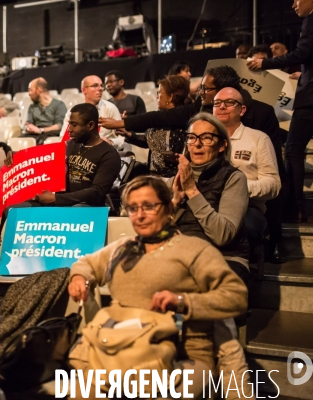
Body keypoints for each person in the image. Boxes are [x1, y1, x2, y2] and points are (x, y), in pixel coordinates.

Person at [68, 175, 248, 397]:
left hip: (182, 354)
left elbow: (236, 295)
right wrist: (79, 278)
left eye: (149, 206)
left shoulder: (194, 249)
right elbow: (87, 263)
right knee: (79, 391)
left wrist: (183, 302)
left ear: (169, 208)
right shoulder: (123, 248)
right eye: (133, 208)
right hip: (120, 347)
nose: (140, 215)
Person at [101, 65, 282, 160]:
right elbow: (157, 119)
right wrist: (123, 125)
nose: (200, 93)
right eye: (200, 88)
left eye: (206, 89)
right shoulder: (200, 109)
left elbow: (274, 167)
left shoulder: (262, 115)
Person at [247, 0, 313, 222]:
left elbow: (302, 53)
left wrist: (265, 63)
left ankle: (295, 209)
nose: (293, 4)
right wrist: (303, 74)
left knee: (293, 150)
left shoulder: (311, 20)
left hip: (311, 99)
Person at [169, 113, 250, 285]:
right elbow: (158, 233)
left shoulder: (234, 178)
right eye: (191, 137)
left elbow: (223, 235)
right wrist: (175, 202)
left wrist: (192, 191)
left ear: (222, 145)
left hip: (223, 258)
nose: (197, 144)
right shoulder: (176, 179)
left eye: (206, 138)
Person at [213, 88, 281, 256]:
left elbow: (273, 184)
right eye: (217, 103)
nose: (222, 107)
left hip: (248, 208)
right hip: (209, 204)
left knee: (241, 227)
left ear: (242, 110)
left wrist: (238, 189)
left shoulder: (258, 138)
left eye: (229, 103)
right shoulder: (202, 138)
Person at [119, 75, 190, 177]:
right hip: (154, 175)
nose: (157, 96)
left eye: (159, 93)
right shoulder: (158, 117)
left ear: (171, 97)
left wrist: (128, 124)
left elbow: (159, 145)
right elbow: (150, 141)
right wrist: (129, 134)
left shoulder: (181, 123)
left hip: (173, 178)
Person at [60, 76, 123, 148]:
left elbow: (122, 138)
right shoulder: (73, 112)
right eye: (95, 86)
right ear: (84, 90)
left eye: (101, 86)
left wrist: (111, 142)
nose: (100, 89)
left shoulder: (111, 108)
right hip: (79, 151)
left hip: (104, 150)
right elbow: (63, 138)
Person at [20, 77, 67, 145]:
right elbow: (28, 123)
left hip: (51, 134)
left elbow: (60, 125)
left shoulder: (59, 105)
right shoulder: (32, 107)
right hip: (35, 135)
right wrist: (29, 128)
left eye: (30, 90)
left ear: (39, 90)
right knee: (17, 140)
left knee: (41, 142)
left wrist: (41, 130)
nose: (29, 93)